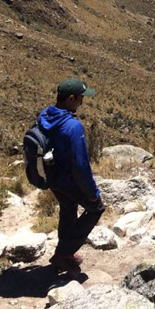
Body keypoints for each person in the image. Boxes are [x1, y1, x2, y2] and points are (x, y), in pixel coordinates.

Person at [38, 78, 104, 273]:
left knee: (68, 208)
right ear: (71, 98)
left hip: (52, 177)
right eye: (80, 99)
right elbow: (81, 165)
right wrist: (92, 192)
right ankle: (63, 252)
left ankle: (65, 254)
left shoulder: (45, 116)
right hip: (69, 180)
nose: (81, 103)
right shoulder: (72, 127)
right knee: (96, 208)